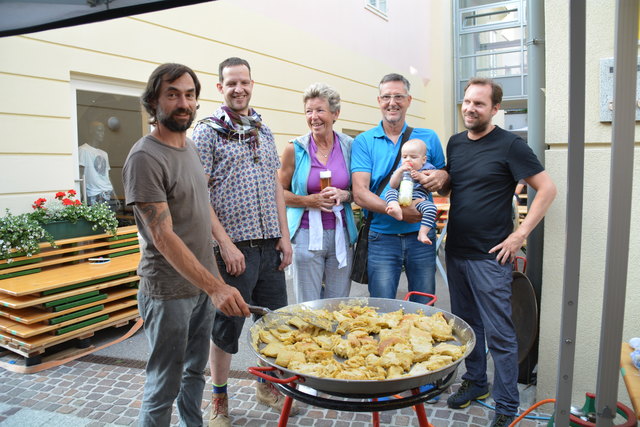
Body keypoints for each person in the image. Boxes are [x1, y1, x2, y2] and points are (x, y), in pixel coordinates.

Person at [122, 63, 250, 426]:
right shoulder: (145, 157)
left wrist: (218, 262)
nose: (183, 102)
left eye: (189, 95)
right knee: (165, 383)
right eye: (173, 94)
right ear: (153, 101)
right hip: (168, 291)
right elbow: (162, 236)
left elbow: (199, 208)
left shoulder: (190, 148)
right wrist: (216, 287)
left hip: (201, 287)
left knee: (195, 373)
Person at [438, 77, 556, 427]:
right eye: (467, 102)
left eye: (479, 104)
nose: (470, 108)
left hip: (492, 257)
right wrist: (438, 177)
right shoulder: (455, 143)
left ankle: (506, 405)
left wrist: (520, 234)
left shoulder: (510, 146)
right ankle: (476, 383)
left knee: (501, 334)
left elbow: (547, 189)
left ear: (495, 109)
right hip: (456, 252)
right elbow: (458, 184)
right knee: (468, 327)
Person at [191, 57, 294, 427]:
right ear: (220, 87)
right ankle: (218, 399)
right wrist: (225, 245)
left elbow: (276, 190)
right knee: (226, 329)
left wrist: (284, 236)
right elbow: (198, 197)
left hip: (270, 248)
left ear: (252, 84)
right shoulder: (206, 132)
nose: (239, 89)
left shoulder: (263, 131)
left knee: (273, 325)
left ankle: (266, 385)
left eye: (244, 82)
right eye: (231, 83)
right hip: (234, 251)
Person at [351, 73, 448, 303]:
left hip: (420, 238)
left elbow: (445, 185)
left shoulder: (429, 137)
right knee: (382, 307)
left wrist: (443, 176)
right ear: (378, 100)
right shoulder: (364, 141)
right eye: (386, 97)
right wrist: (399, 211)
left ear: (409, 100)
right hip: (381, 238)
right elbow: (360, 193)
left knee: (424, 306)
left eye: (398, 96)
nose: (392, 102)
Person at [279, 82, 358, 304]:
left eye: (320, 110)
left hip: (341, 234)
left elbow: (358, 190)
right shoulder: (294, 148)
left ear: (335, 114)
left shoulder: (350, 146)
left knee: (338, 305)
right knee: (308, 306)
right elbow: (277, 193)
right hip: (305, 235)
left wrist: (345, 195)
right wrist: (307, 200)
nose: (314, 117)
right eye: (308, 111)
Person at [384, 138, 437, 245]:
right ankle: (396, 209)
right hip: (401, 197)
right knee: (390, 192)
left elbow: (432, 185)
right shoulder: (401, 169)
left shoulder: (428, 168)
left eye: (413, 157)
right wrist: (399, 171)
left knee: (431, 208)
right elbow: (393, 185)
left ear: (423, 159)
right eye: (404, 157)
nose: (408, 160)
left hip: (419, 200)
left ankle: (422, 233)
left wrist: (421, 177)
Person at [79, 120, 114, 205]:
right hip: (93, 195)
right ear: (91, 131)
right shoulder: (83, 150)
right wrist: (82, 197)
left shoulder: (104, 153)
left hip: (107, 193)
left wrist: (114, 196)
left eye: (103, 131)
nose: (102, 133)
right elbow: (80, 175)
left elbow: (107, 176)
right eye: (99, 130)